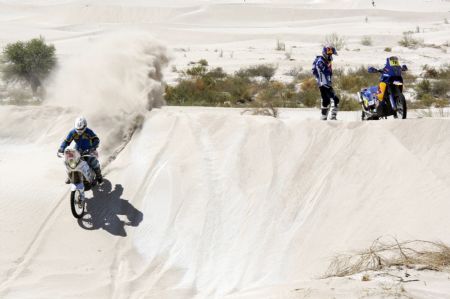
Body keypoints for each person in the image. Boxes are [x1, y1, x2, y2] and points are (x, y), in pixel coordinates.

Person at [58, 116, 103, 184]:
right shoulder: (72, 132)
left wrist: (93, 147)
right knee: (69, 161)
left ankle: (99, 176)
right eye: (77, 129)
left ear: (85, 126)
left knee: (93, 162)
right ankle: (70, 175)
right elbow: (66, 141)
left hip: (90, 149)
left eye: (81, 128)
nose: (79, 130)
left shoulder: (89, 132)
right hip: (77, 149)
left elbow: (96, 140)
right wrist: (61, 149)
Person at [312, 46, 340, 120]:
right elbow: (325, 71)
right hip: (324, 84)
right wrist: (328, 65)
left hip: (324, 83)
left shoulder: (325, 61)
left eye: (331, 55)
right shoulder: (320, 61)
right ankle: (333, 117)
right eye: (329, 55)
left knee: (326, 100)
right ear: (325, 54)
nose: (330, 56)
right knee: (335, 99)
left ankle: (323, 118)